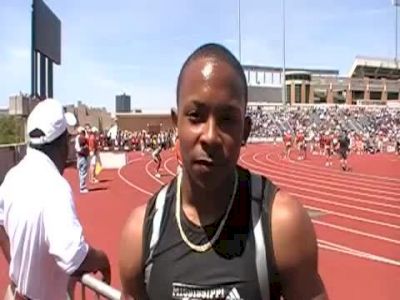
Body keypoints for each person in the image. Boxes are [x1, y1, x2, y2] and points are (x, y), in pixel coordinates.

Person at [119, 44, 327, 300]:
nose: (210, 137)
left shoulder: (281, 224)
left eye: (227, 119)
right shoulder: (141, 233)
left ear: (245, 131)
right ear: (176, 124)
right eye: (196, 116)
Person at [0, 99, 111, 300]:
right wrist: (103, 261)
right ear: (60, 144)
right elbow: (74, 256)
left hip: (14, 294)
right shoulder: (56, 187)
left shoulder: (12, 176)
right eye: (67, 139)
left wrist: (19, 266)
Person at [75, 127, 89, 193]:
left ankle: (82, 186)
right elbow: (84, 145)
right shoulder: (81, 138)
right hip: (82, 156)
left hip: (79, 156)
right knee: (83, 172)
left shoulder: (77, 138)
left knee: (81, 172)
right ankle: (82, 187)